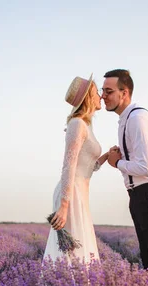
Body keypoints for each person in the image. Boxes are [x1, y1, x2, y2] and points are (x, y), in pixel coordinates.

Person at [102, 69, 148, 279]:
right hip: (140, 195)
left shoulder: (137, 117)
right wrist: (121, 154)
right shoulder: (125, 119)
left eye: (109, 91)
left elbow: (145, 168)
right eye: (103, 91)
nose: (103, 96)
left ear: (124, 93)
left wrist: (117, 163)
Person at [43, 74, 110, 265]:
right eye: (97, 92)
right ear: (89, 97)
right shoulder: (77, 124)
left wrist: (106, 156)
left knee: (78, 251)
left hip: (79, 193)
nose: (101, 96)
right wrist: (64, 206)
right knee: (71, 254)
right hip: (70, 194)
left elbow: (87, 167)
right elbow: (68, 165)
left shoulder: (86, 125)